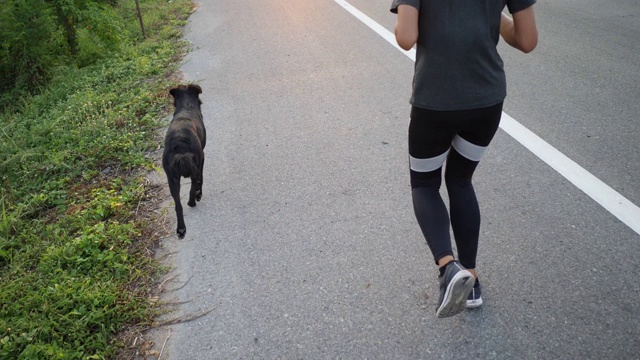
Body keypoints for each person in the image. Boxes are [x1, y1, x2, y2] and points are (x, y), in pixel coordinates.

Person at [390, 0, 538, 318]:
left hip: (436, 100)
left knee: (425, 183)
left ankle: (448, 267)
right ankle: (471, 279)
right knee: (460, 178)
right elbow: (527, 40)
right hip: (486, 100)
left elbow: (405, 36)